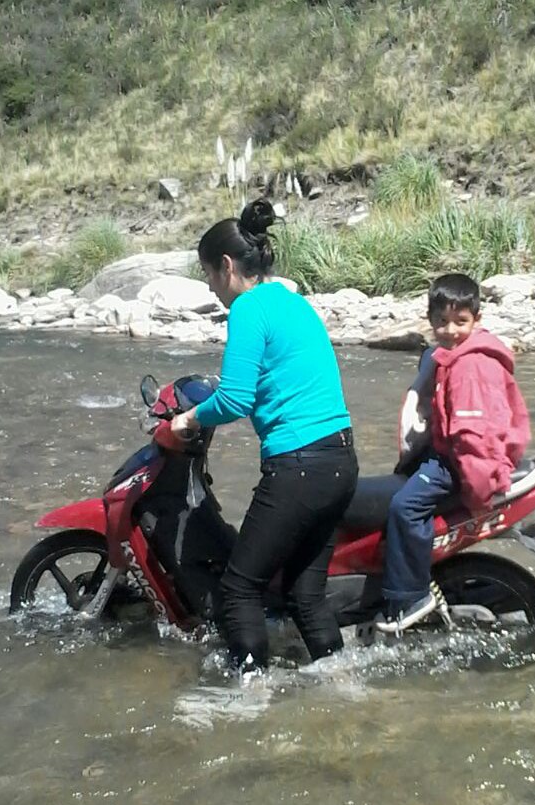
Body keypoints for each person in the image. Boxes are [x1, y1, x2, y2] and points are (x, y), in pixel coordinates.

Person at [171, 199, 358, 671]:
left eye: (209, 274)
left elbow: (234, 399)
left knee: (239, 589)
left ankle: (249, 697)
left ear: (227, 267)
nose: (212, 287)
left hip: (297, 466)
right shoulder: (294, 302)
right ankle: (341, 684)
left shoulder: (249, 308)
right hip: (339, 460)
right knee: (305, 592)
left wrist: (190, 420)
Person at [377, 273, 530, 633]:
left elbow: (475, 436)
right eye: (441, 322)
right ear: (429, 321)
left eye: (460, 322)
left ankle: (411, 596)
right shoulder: (448, 356)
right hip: (451, 453)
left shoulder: (470, 366)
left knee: (405, 506)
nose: (450, 330)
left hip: (463, 462)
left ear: (477, 320)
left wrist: (478, 492)